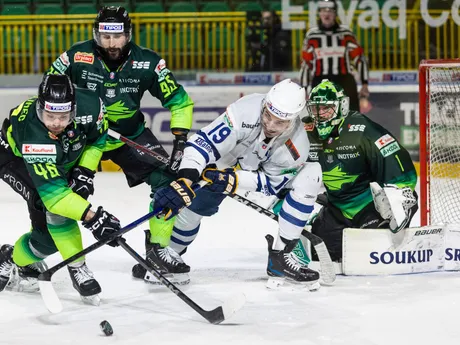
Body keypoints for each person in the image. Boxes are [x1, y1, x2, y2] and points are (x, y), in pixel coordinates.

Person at [46, 6, 194, 284]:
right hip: (83, 137)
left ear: (128, 34)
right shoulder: (76, 56)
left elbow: (180, 101)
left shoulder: (149, 62)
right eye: (105, 37)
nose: (111, 44)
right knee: (58, 196)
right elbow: (48, 90)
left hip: (129, 135)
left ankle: (158, 251)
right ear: (96, 34)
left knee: (168, 181)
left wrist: (181, 141)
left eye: (117, 37)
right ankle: (69, 261)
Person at [144, 79, 323, 289]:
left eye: (280, 122)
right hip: (222, 162)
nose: (270, 125)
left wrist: (234, 181)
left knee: (311, 174)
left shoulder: (298, 144)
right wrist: (186, 177)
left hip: (256, 175)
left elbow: (271, 184)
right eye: (267, 115)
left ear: (293, 121)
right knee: (195, 204)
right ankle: (167, 254)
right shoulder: (245, 110)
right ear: (265, 104)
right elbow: (204, 143)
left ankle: (281, 257)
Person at [0, 74, 121, 305]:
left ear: (74, 110)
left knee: (45, 242)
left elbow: (97, 139)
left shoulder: (92, 106)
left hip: (58, 159)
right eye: (50, 116)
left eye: (63, 116)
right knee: (49, 204)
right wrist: (93, 218)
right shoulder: (34, 133)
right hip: (15, 159)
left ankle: (12, 257)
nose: (56, 122)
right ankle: (78, 267)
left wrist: (85, 171)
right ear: (40, 107)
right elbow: (56, 198)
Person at [300, 79, 418, 262]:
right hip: (337, 208)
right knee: (317, 254)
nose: (320, 114)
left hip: (369, 207)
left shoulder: (361, 129)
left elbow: (400, 169)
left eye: (326, 108)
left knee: (371, 253)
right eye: (315, 108)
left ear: (342, 107)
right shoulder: (305, 130)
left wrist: (398, 199)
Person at [300, 0, 369, 112]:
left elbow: (359, 59)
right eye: (323, 11)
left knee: (351, 117)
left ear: (335, 13)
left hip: (344, 81)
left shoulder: (346, 33)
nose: (326, 14)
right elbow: (306, 64)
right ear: (319, 13)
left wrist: (365, 84)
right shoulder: (312, 36)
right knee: (321, 119)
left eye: (330, 11)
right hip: (320, 82)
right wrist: (303, 89)